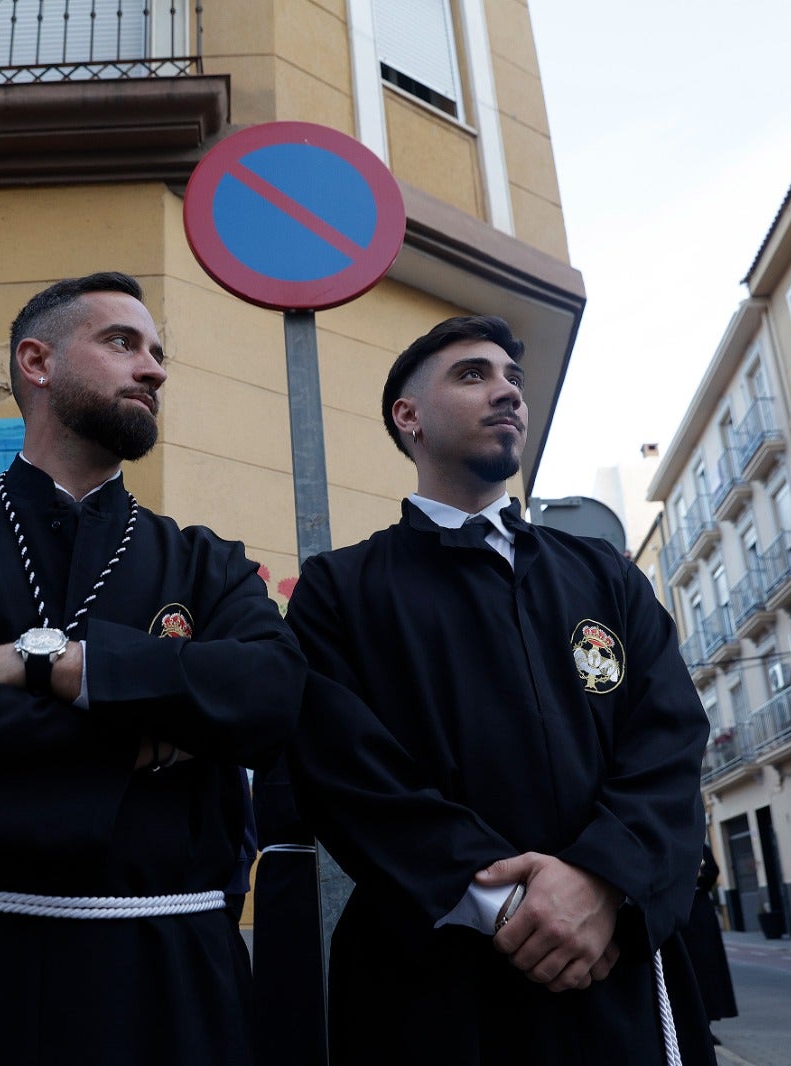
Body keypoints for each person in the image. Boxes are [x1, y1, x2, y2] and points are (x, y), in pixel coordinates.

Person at [0, 271, 304, 1065]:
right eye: (122, 343)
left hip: (165, 968)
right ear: (37, 362)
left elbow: (272, 696)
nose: (153, 368)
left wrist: (56, 665)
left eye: (158, 352)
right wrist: (153, 734)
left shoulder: (203, 561)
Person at [279, 315, 713, 1063]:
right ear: (407, 417)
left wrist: (601, 886)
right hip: (432, 987)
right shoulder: (338, 590)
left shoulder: (607, 576)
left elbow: (670, 744)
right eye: (472, 375)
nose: (508, 392)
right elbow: (348, 774)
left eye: (514, 378)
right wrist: (514, 907)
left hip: (611, 970)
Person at [680, 844, 737, 1045]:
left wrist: (699, 880)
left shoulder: (700, 847)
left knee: (707, 973)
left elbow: (712, 871)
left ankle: (707, 1024)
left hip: (701, 920)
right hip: (682, 921)